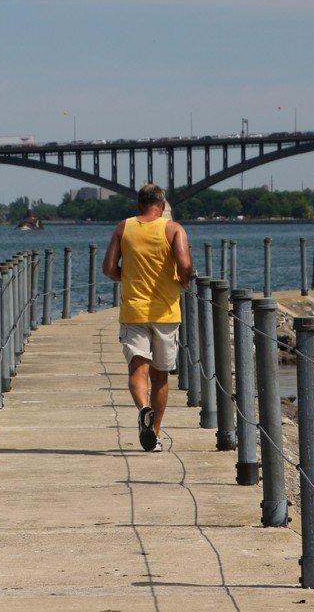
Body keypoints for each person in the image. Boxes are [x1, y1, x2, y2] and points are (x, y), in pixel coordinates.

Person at [102, 183, 192, 452]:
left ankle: (143, 408)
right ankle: (154, 432)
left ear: (139, 205)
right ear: (162, 206)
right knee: (161, 376)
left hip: (133, 311)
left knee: (137, 370)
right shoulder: (174, 229)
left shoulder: (124, 227)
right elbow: (185, 265)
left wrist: (125, 276)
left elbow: (108, 268)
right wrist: (182, 282)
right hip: (165, 312)